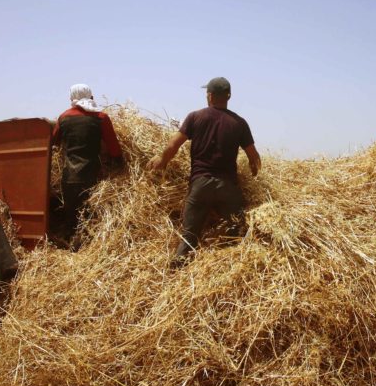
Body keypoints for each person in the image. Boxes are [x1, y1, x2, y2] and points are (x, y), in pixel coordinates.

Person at [148, 77, 261, 264]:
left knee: (189, 236)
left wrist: (162, 159)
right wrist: (254, 171)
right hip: (228, 187)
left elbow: (173, 144)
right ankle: (227, 269)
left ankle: (177, 269)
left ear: (209, 95)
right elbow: (254, 156)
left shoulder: (196, 117)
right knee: (236, 234)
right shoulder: (239, 123)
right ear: (229, 96)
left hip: (200, 184)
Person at [51, 84, 124, 249]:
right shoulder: (101, 117)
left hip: (69, 175)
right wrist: (118, 163)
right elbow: (113, 147)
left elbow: (54, 143)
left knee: (71, 214)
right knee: (90, 214)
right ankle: (88, 246)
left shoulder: (63, 118)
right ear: (90, 97)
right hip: (92, 175)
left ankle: (71, 244)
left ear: (72, 98)